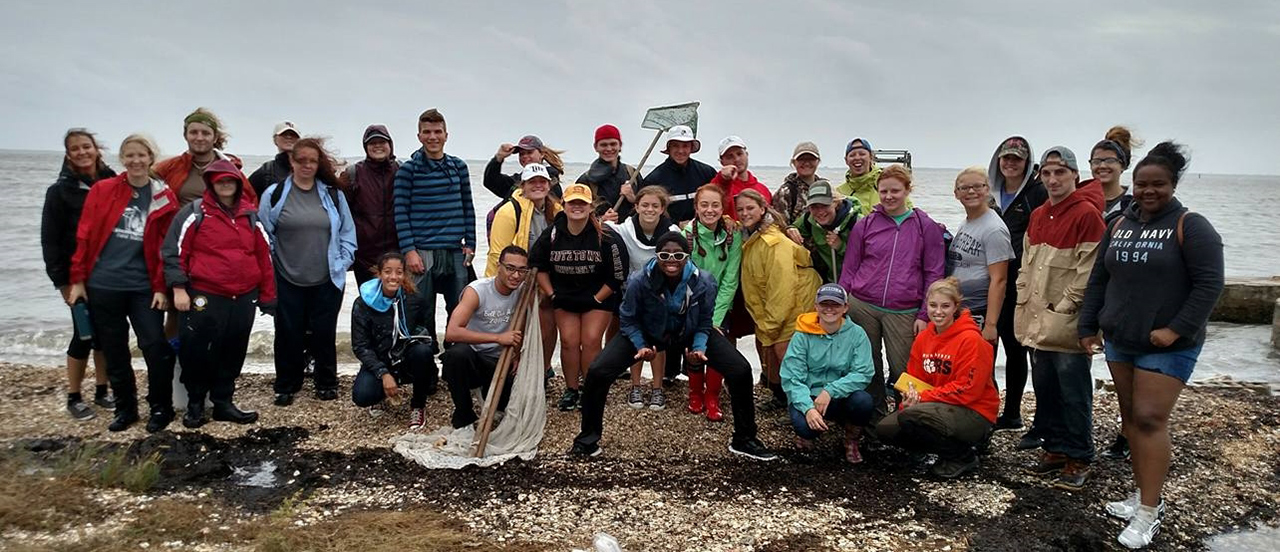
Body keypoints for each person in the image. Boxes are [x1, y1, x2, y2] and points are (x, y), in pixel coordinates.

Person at [1079, 142, 1224, 549]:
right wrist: (1088, 325)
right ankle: (1139, 495)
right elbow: (1099, 280)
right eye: (1141, 184)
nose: (1148, 191)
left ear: (1173, 184)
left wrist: (1176, 330)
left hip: (1167, 345)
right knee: (1130, 419)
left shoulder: (1193, 226)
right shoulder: (1121, 223)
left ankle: (1150, 510)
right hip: (1121, 339)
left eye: (1157, 184)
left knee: (1148, 418)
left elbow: (1210, 285)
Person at [570, 232, 776, 461]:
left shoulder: (704, 281)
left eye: (678, 254)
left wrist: (699, 347)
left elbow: (705, 320)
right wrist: (640, 345)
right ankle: (587, 440)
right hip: (648, 332)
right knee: (598, 371)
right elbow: (628, 319)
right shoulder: (640, 280)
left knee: (740, 369)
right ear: (656, 256)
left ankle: (745, 438)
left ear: (687, 256)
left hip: (688, 331)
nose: (671, 259)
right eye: (664, 254)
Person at [67, 134, 178, 432]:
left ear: (151, 158)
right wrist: (77, 280)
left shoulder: (163, 195)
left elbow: (168, 246)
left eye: (141, 155)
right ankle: (125, 408)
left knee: (155, 345)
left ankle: (160, 407)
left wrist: (161, 287)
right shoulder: (103, 190)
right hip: (105, 284)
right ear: (122, 159)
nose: (135, 161)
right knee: (115, 350)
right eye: (129, 155)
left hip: (144, 286)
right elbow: (84, 235)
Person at [1014, 146, 1106, 491]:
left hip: (1067, 322)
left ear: (1074, 176)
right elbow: (1027, 260)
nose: (1053, 180)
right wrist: (1024, 295)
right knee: (1046, 386)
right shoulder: (1038, 214)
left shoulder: (1087, 214)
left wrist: (1066, 307)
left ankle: (1079, 455)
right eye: (1048, 174)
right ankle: (1054, 448)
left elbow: (1089, 270)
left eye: (1060, 173)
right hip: (1036, 318)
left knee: (1073, 390)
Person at [162, 160, 274, 428]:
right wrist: (178, 289)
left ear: (237, 183)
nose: (225, 184)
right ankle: (195, 404)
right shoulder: (194, 213)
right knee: (197, 348)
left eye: (230, 180)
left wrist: (269, 295)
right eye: (220, 180)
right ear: (211, 183)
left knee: (234, 348)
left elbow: (264, 256)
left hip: (244, 295)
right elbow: (174, 252)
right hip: (205, 293)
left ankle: (223, 402)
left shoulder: (250, 216)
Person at [838, 165, 945, 417]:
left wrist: (923, 314)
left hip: (904, 309)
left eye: (895, 190)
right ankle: (875, 420)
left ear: (908, 190)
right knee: (869, 367)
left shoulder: (925, 226)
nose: (888, 196)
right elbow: (850, 268)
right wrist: (843, 303)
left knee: (904, 370)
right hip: (863, 304)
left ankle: (907, 420)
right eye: (883, 191)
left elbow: (934, 272)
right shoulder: (866, 224)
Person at [259, 138, 357, 406]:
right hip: (286, 276)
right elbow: (263, 234)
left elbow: (348, 232)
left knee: (324, 332)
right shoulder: (274, 195)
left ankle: (326, 383)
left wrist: (344, 259)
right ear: (291, 161)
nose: (306, 165)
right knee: (288, 332)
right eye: (301, 160)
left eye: (312, 161)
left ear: (318, 164)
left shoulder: (333, 195)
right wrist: (269, 268)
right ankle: (286, 385)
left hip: (327, 277)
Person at [875, 278, 1000, 479]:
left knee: (911, 417)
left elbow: (967, 390)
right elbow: (912, 378)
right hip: (937, 404)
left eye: (945, 306)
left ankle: (962, 455)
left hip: (974, 411)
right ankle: (934, 448)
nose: (938, 312)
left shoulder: (972, 340)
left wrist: (922, 399)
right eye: (933, 305)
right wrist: (910, 397)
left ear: (956, 307)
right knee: (886, 429)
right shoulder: (924, 337)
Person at [530, 183, 629, 411]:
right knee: (569, 341)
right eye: (572, 202)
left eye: (582, 203)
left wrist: (596, 299)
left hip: (598, 296)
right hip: (564, 296)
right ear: (563, 205)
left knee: (592, 339)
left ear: (590, 207)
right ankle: (571, 389)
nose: (577, 207)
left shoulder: (606, 236)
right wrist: (552, 294)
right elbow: (538, 266)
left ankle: (590, 387)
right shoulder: (553, 234)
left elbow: (617, 276)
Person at [41, 128, 117, 420]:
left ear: (96, 149)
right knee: (84, 334)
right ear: (68, 155)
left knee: (106, 335)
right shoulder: (59, 192)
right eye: (75, 149)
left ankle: (102, 390)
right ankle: (74, 395)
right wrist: (62, 282)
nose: (82, 152)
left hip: (111, 273)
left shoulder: (113, 182)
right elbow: (50, 240)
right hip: (78, 277)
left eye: (87, 147)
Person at [394, 108, 476, 345]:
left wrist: (471, 244)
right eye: (427, 132)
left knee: (460, 309)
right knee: (422, 310)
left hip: (454, 249)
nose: (433, 137)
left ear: (446, 135)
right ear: (419, 136)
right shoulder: (408, 170)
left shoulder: (458, 167)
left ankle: (454, 358)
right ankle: (424, 362)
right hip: (421, 251)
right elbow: (400, 212)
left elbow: (467, 207)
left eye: (437, 131)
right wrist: (409, 250)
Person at [986, 135, 1048, 440]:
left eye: (1017, 159)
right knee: (988, 347)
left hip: (1022, 284)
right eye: (1006, 158)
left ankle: (1013, 413)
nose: (1010, 163)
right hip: (991, 282)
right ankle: (989, 407)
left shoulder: (1037, 194)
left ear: (1027, 163)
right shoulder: (990, 195)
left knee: (1017, 349)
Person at [736, 189, 821, 407]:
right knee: (772, 353)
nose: (745, 213)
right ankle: (782, 398)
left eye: (750, 208)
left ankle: (805, 407)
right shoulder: (751, 238)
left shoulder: (773, 242)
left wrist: (771, 324)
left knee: (785, 352)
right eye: (740, 210)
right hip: (780, 303)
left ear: (763, 209)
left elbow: (782, 287)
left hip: (797, 302)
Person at [779, 284, 875, 463]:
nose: (829, 309)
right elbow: (792, 377)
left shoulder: (857, 334)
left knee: (863, 402)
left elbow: (863, 372)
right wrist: (808, 408)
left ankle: (851, 440)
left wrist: (830, 391)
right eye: (824, 304)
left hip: (840, 396)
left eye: (836, 304)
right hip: (808, 395)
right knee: (804, 427)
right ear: (816, 306)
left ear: (845, 307)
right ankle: (805, 434)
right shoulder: (802, 335)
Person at [606, 185, 681, 408]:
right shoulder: (624, 230)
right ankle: (635, 386)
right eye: (645, 205)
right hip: (632, 292)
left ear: (662, 209)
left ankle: (657, 388)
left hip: (662, 293)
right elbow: (600, 228)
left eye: (655, 206)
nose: (649, 209)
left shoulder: (673, 233)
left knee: (659, 341)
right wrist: (603, 217)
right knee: (635, 338)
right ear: (636, 206)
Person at [442, 246, 531, 429]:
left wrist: (518, 353)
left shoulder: (524, 292)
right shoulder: (477, 291)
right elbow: (452, 332)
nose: (516, 276)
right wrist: (498, 338)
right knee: (455, 355)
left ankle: (488, 394)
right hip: (473, 357)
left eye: (522, 270)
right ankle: (463, 413)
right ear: (499, 266)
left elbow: (524, 323)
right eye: (510, 268)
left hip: (500, 360)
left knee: (509, 406)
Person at [486, 163, 562, 375]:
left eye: (542, 181)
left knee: (547, 324)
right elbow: (497, 253)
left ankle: (544, 369)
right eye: (532, 182)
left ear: (549, 184)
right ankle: (512, 367)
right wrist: (500, 285)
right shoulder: (510, 211)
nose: (538, 185)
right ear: (523, 185)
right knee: (517, 326)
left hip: (545, 277)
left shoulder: (556, 210)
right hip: (518, 276)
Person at [350, 252, 437, 429]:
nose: (393, 277)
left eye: (399, 272)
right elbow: (360, 346)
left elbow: (427, 334)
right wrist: (382, 373)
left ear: (405, 275)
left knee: (423, 352)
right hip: (379, 359)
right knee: (362, 396)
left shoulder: (415, 300)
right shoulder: (362, 303)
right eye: (388, 271)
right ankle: (380, 394)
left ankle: (418, 406)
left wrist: (429, 368)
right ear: (379, 273)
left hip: (406, 357)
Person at [683, 184, 741, 421]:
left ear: (723, 207)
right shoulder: (685, 236)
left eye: (715, 205)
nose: (710, 210)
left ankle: (713, 395)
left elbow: (730, 278)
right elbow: (682, 276)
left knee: (716, 349)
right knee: (694, 350)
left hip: (720, 304)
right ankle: (695, 392)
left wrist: (715, 318)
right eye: (704, 204)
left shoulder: (732, 235)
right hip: (692, 303)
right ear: (696, 207)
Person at [947, 167, 1013, 347]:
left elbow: (999, 279)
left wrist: (991, 324)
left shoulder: (994, 229)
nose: (971, 191)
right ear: (956, 194)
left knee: (978, 369)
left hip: (979, 312)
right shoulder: (967, 222)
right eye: (964, 188)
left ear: (987, 189)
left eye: (977, 186)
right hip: (960, 310)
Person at [340, 124, 401, 286]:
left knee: (403, 306)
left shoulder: (401, 171)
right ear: (365, 147)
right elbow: (340, 215)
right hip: (366, 257)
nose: (378, 146)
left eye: (382, 142)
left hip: (398, 256)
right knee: (371, 305)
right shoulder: (353, 174)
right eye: (373, 143)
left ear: (390, 145)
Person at [155, 107, 252, 206]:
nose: (200, 138)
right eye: (194, 132)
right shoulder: (167, 168)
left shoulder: (231, 169)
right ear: (185, 136)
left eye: (206, 133)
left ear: (215, 138)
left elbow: (250, 205)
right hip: (180, 220)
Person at [636, 125, 716, 224]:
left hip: (704, 231)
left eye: (685, 146)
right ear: (668, 148)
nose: (680, 151)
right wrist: (677, 224)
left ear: (691, 147)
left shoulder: (707, 173)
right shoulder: (654, 180)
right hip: (669, 234)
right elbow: (648, 213)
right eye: (675, 146)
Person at [784, 179, 858, 284]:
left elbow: (868, 258)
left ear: (835, 203)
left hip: (856, 281)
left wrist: (841, 246)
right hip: (830, 280)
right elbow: (793, 227)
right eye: (814, 207)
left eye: (825, 205)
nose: (820, 212)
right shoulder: (809, 220)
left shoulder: (856, 222)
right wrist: (790, 229)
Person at [576, 124, 637, 222]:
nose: (609, 149)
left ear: (620, 146)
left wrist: (633, 198)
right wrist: (601, 220)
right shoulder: (585, 180)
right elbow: (576, 214)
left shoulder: (633, 174)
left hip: (630, 234)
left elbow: (647, 208)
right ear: (596, 147)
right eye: (603, 145)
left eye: (613, 144)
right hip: (600, 234)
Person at [1081, 126, 1140, 223]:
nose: (1102, 166)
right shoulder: (1081, 200)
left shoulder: (1135, 203)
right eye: (1097, 161)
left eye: (1110, 161)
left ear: (1122, 165)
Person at [484, 134, 565, 200]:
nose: (525, 156)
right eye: (522, 154)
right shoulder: (515, 182)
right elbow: (490, 181)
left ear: (542, 154)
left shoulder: (552, 180)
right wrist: (499, 157)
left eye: (529, 152)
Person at [709, 136, 771, 221]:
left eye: (739, 154)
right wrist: (723, 178)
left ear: (747, 154)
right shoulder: (719, 185)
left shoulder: (763, 189)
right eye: (730, 156)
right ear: (722, 162)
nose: (736, 159)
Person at [772, 141, 825, 225]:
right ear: (793, 162)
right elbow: (780, 226)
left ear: (818, 161)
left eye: (811, 159)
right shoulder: (785, 192)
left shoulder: (826, 188)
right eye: (801, 159)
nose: (807, 163)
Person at [248, 121, 300, 198]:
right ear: (275, 140)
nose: (289, 137)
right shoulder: (266, 171)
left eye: (293, 135)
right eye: (284, 134)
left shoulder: (308, 168)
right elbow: (247, 196)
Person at [837, 138, 885, 217]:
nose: (857, 158)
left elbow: (906, 212)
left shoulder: (888, 186)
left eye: (862, 154)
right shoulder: (839, 193)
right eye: (852, 155)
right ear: (846, 160)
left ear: (871, 157)